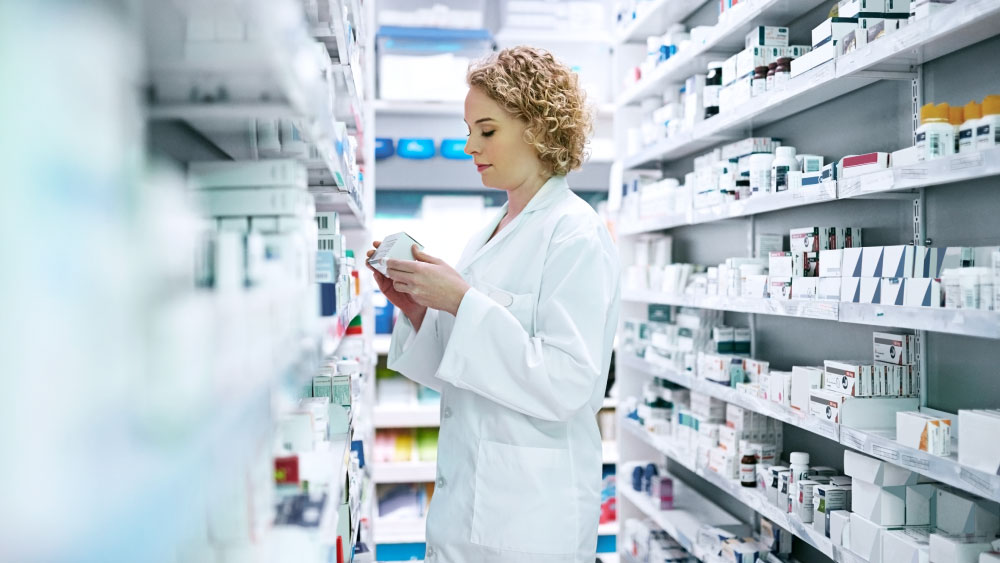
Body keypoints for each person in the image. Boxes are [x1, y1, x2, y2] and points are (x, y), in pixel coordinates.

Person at [366, 46, 620, 563]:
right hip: (470, 501)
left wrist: (462, 302)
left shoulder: (575, 234)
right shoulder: (489, 232)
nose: (469, 146)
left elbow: (568, 382)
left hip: (530, 515)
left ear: (538, 128)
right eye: (468, 131)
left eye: (486, 130)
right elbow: (469, 371)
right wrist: (419, 310)